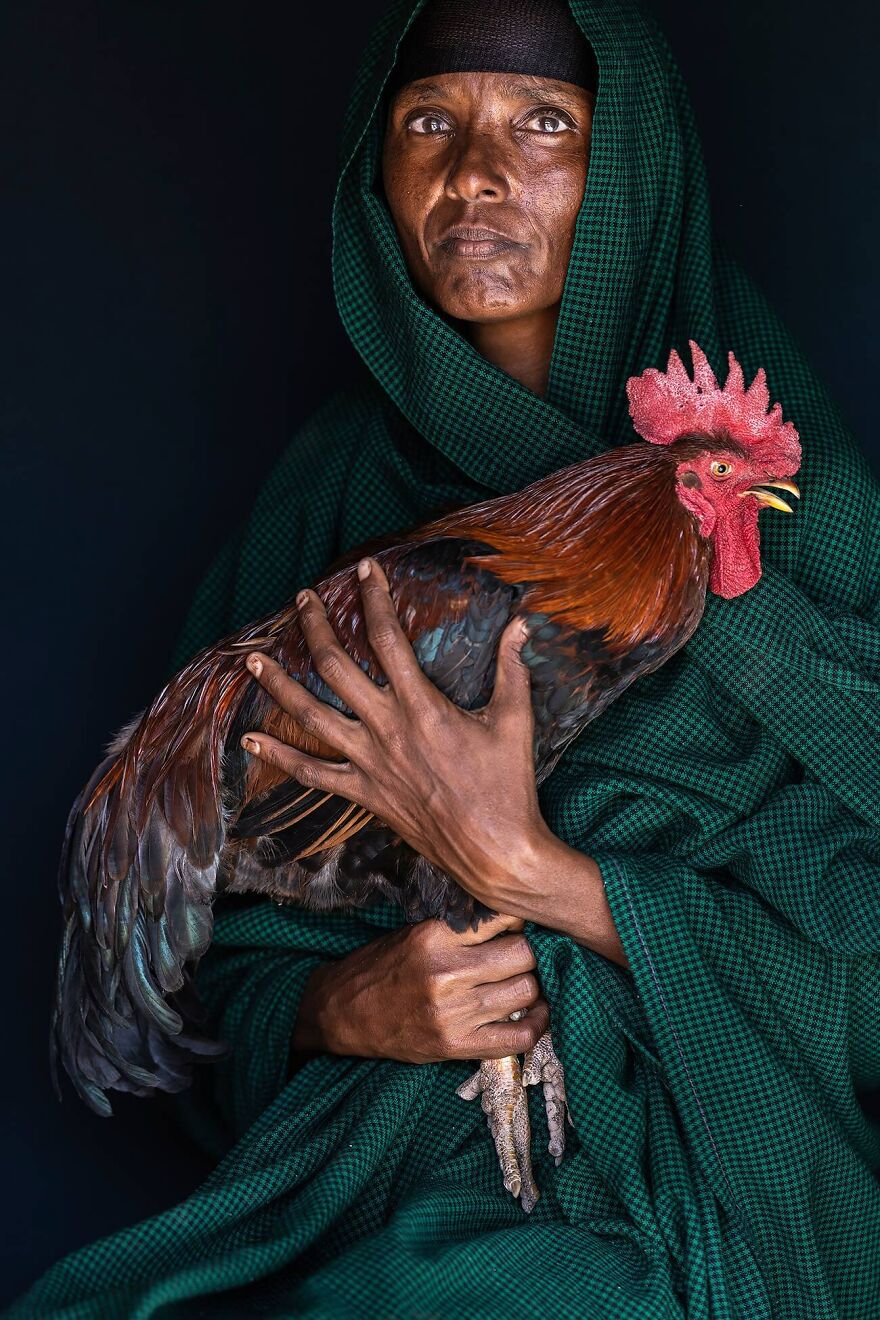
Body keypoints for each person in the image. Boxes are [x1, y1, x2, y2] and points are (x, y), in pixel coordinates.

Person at [17, 0, 880, 1315]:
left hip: (704, 1160)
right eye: (432, 122)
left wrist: (540, 875)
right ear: (379, 170)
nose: (477, 172)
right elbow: (214, 942)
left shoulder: (790, 502)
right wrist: (336, 1008)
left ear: (628, 168)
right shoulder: (324, 499)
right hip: (370, 1156)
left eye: (545, 126)